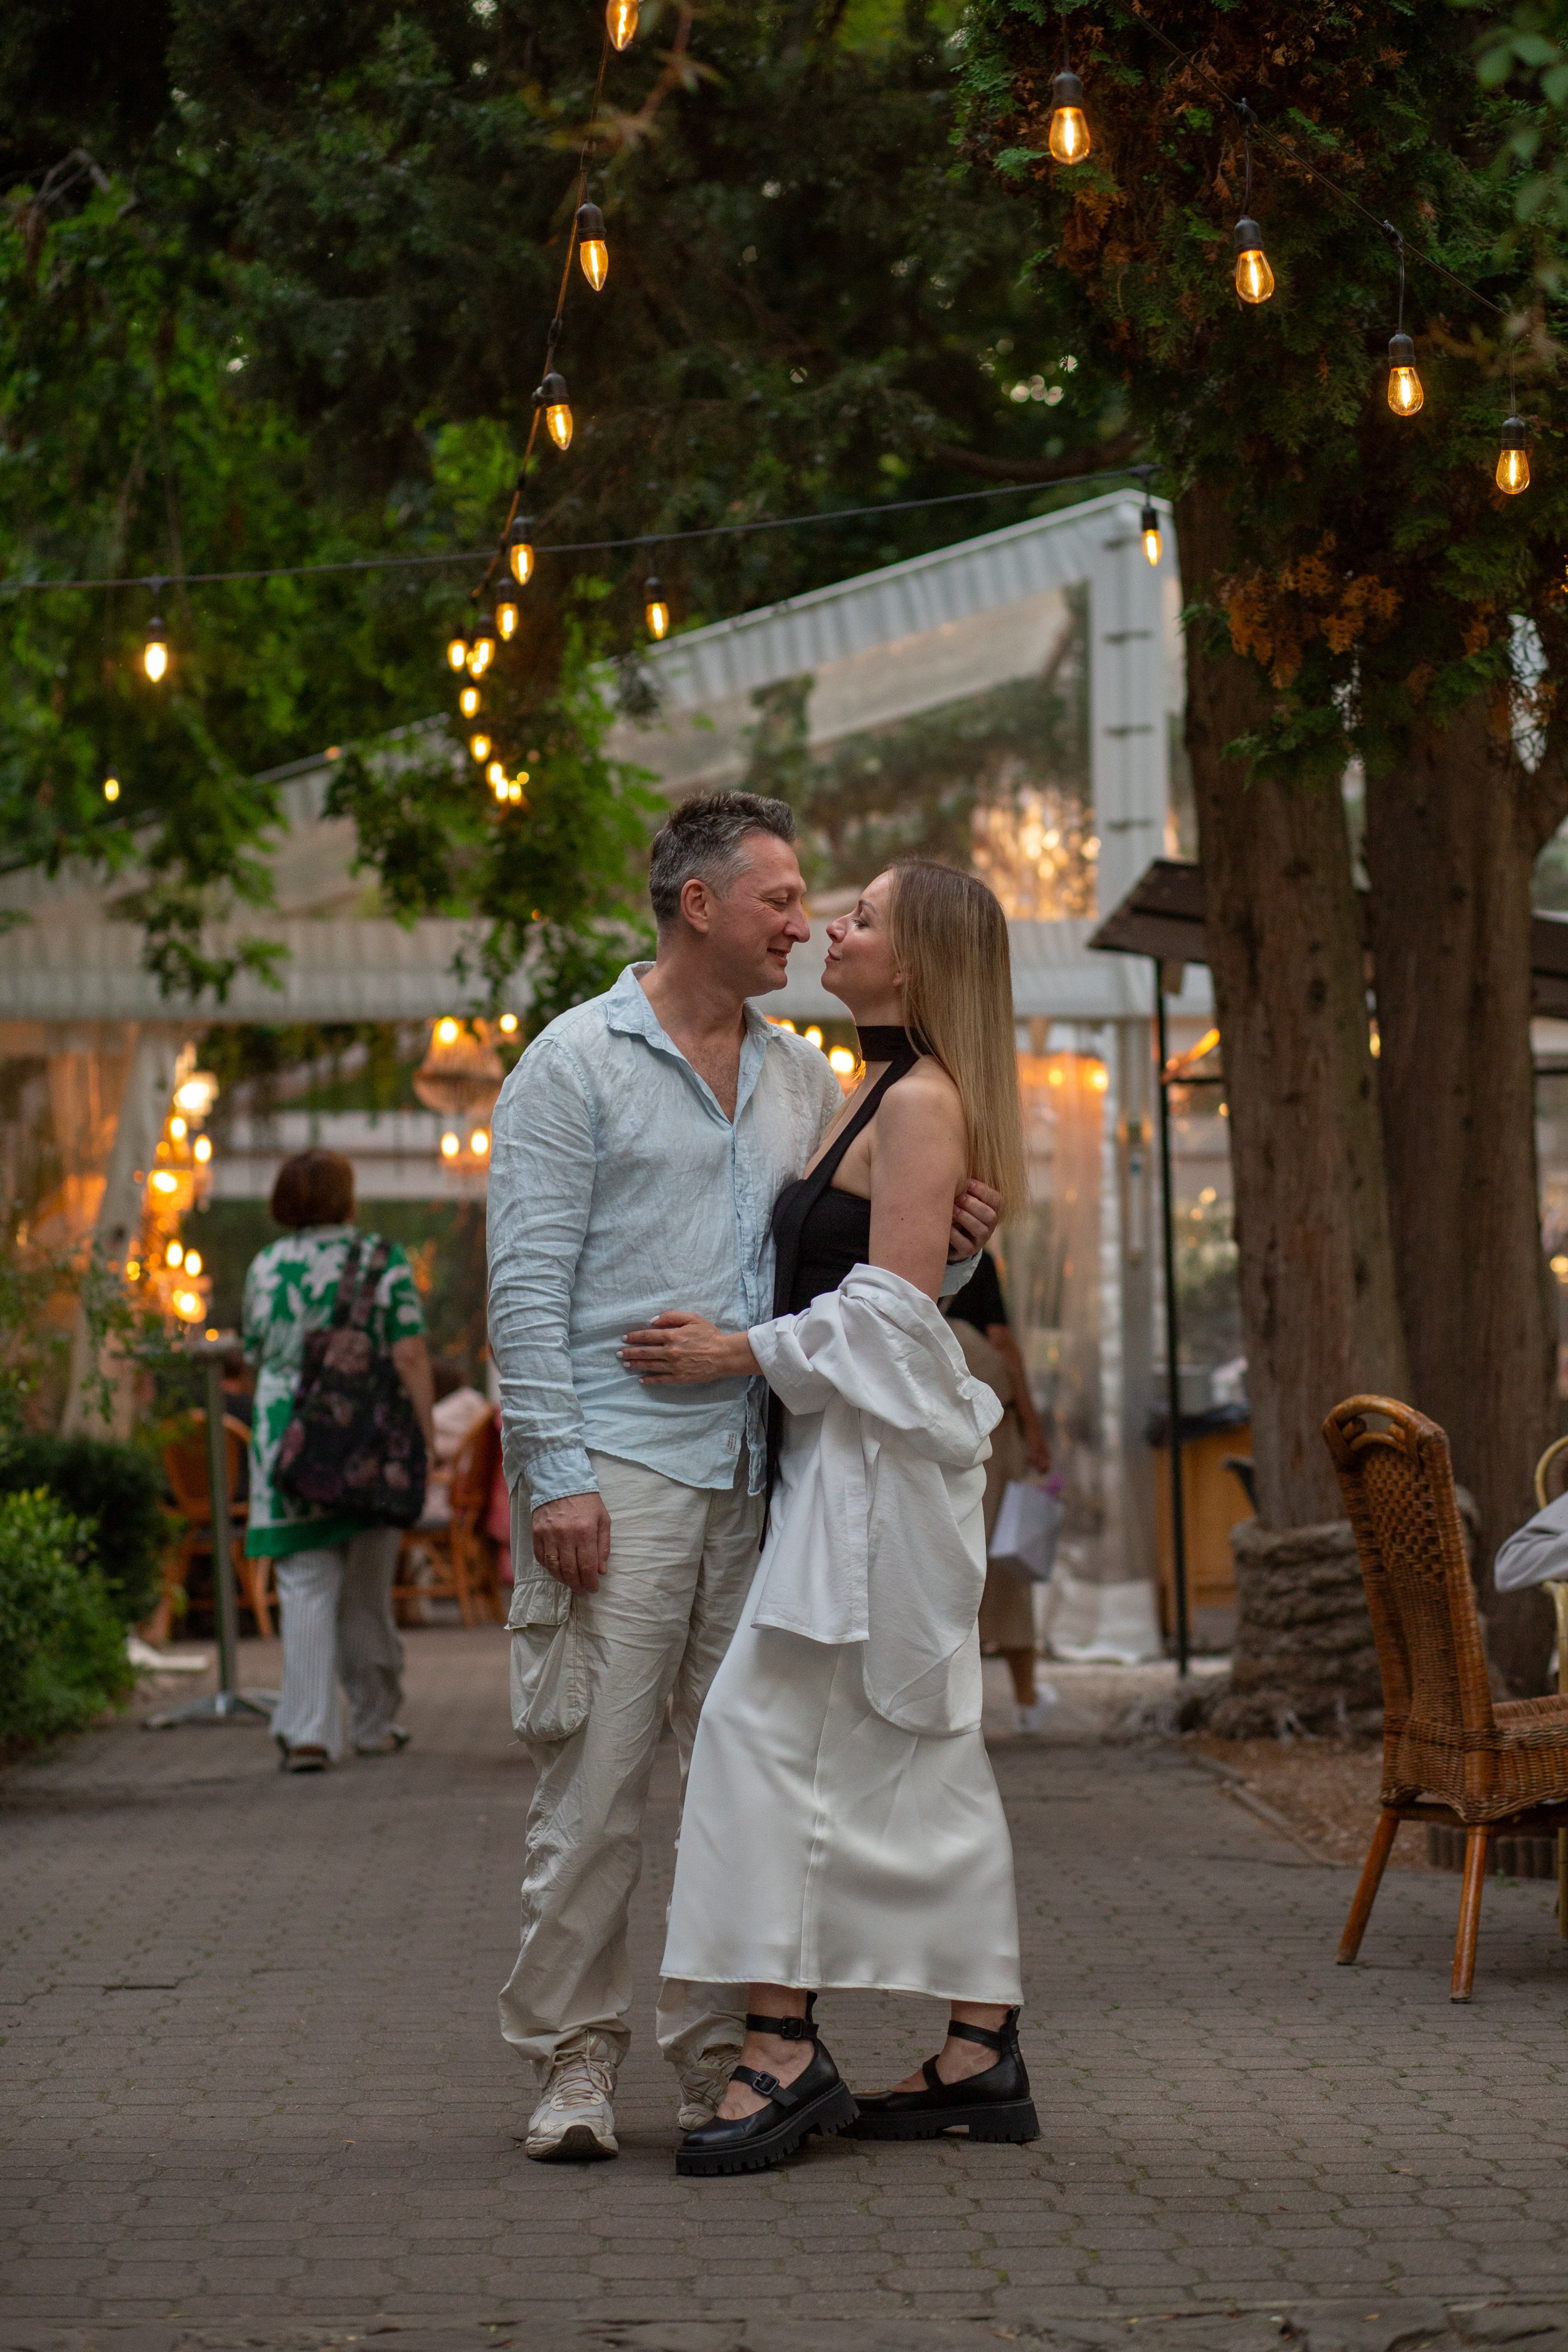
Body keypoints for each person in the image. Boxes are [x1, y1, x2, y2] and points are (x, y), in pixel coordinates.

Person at [486, 791, 999, 2164]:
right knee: (594, 1789)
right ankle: (572, 2065)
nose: (801, 919)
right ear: (699, 905)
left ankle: (735, 2055)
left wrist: (950, 1255)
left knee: (752, 1789)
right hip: (621, 1474)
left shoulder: (799, 1079)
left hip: (764, 1485)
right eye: (778, 898)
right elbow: (525, 1291)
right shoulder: (570, 1064)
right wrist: (554, 1479)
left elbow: (849, 1274)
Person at [625, 859, 1037, 2178]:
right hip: (841, 1472)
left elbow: (883, 1318)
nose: (832, 929)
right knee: (894, 1756)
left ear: (910, 964)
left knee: (770, 1739)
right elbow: (887, 1271)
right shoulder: (869, 1090)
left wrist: (728, 1353)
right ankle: (975, 2047)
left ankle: (784, 2048)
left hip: (873, 1483)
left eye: (858, 917)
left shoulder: (918, 1102)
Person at [242, 1149, 435, 1774]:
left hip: (288, 1441)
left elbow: (253, 1349)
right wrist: (425, 1435)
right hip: (369, 1443)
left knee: (303, 1586)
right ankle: (375, 1724)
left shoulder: (266, 1264)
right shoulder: (383, 1258)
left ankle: (308, 1732)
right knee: (366, 1591)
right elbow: (408, 1353)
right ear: (347, 1198)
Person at [942, 1250, 1057, 1735]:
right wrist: (1034, 1427)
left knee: (949, 1567)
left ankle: (948, 1705)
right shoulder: (975, 1258)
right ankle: (1027, 1699)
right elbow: (1004, 1344)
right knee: (1006, 1565)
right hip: (996, 1434)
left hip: (943, 1440)